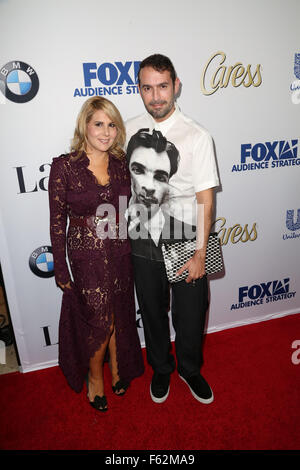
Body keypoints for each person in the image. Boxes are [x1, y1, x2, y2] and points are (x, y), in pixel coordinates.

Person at [125, 54, 219, 404]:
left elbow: (205, 198)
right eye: (147, 88)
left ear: (176, 86)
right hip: (140, 229)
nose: (156, 96)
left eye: (162, 86)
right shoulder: (128, 127)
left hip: (184, 231)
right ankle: (161, 369)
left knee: (191, 312)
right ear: (140, 89)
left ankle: (190, 370)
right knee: (151, 309)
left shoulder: (197, 135)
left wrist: (199, 252)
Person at [48, 97, 144, 412]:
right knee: (99, 319)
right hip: (85, 253)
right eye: (98, 124)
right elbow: (56, 221)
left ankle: (117, 370)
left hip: (119, 249)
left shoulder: (120, 164)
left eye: (112, 125)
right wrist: (60, 269)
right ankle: (94, 380)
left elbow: (127, 212)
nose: (106, 132)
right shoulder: (65, 166)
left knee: (117, 311)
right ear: (85, 126)